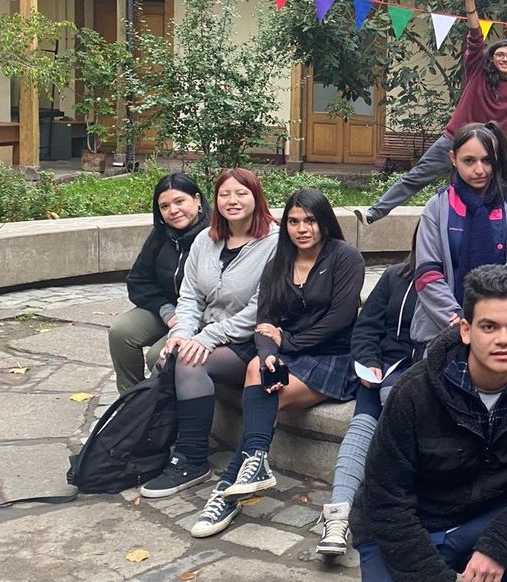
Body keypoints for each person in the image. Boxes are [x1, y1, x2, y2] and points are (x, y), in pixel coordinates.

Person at [352, 265, 507, 582]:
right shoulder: (413, 392)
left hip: (483, 519)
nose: (504, 340)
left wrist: (498, 545)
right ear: (466, 329)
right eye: (489, 327)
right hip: (405, 528)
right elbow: (386, 499)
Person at [190, 189, 366, 538]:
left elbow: (341, 318)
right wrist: (269, 351)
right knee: (257, 367)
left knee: (265, 396)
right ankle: (254, 463)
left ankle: (226, 490)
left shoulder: (345, 257)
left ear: (324, 222)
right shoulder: (278, 263)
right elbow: (264, 321)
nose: (302, 229)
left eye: (310, 221)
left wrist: (287, 341)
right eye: (294, 222)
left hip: (334, 356)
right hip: (289, 352)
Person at [137, 168, 279, 499]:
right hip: (206, 331)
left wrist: (205, 338)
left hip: (250, 339)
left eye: (241, 193)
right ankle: (157, 444)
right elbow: (190, 297)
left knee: (188, 362)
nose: (232, 201)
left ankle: (192, 460)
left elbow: (260, 309)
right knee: (169, 355)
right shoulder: (206, 239)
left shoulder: (274, 243)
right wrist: (181, 333)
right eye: (225, 194)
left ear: (256, 197)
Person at [359, 0, 507, 223]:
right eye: (500, 54)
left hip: (488, 152)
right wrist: (470, 7)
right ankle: (374, 213)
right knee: (416, 177)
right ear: (491, 58)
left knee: (503, 192)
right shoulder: (478, 72)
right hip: (453, 141)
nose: (505, 59)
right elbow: (475, 37)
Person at [317, 230, 422, 556]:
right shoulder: (394, 277)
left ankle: (394, 510)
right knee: (362, 424)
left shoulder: (463, 284)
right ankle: (338, 515)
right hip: (381, 373)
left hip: (424, 379)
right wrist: (369, 362)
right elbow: (366, 327)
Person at [411, 121, 507, 347]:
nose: (479, 170)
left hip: (502, 329)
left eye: (487, 160)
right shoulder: (437, 207)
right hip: (444, 327)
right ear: (453, 158)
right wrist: (459, 319)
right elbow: (427, 274)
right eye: (469, 161)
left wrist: (488, 322)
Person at [109, 172, 210, 394]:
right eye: (164, 206)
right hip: (167, 310)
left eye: (179, 201)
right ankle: (131, 400)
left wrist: (185, 319)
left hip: (202, 316)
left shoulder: (215, 236)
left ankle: (165, 405)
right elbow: (138, 280)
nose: (173, 210)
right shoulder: (161, 235)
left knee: (157, 355)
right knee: (121, 332)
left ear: (197, 200)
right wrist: (167, 312)